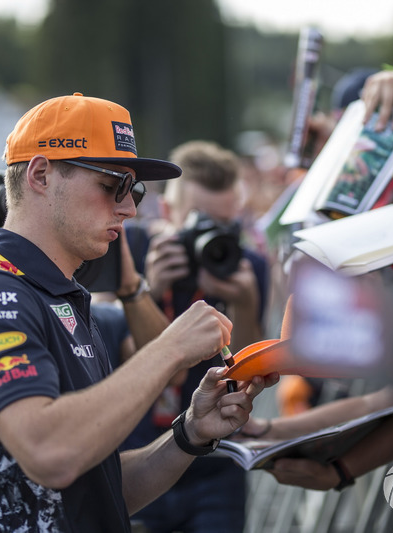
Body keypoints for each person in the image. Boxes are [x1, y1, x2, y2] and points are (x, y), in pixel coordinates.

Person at [0, 93, 276, 532]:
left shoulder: (63, 294)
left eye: (136, 190)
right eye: (113, 186)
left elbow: (102, 491)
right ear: (40, 174)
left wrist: (188, 433)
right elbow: (49, 453)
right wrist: (169, 348)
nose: (130, 208)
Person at [122, 140, 268, 533]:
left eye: (225, 225)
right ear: (167, 212)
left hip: (215, 466)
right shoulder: (130, 249)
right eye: (199, 223)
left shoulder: (246, 265)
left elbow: (248, 374)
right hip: (134, 458)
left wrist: (245, 304)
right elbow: (110, 355)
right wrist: (148, 292)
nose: (212, 237)